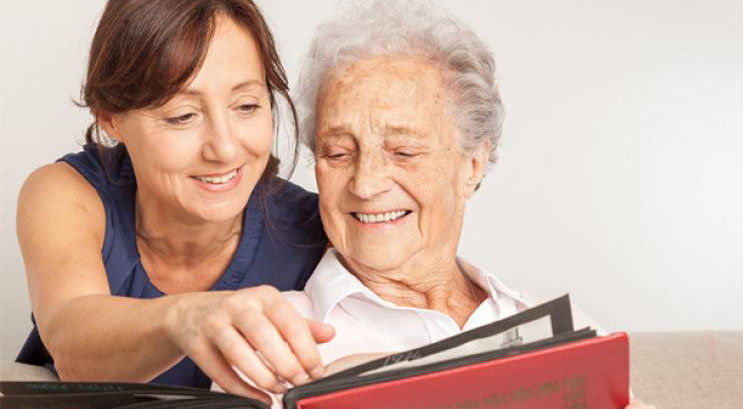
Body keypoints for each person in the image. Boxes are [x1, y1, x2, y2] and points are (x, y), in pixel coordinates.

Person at [255, 1, 653, 407]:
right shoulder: (271, 340)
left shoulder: (563, 333)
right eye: (338, 152)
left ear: (472, 165)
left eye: (404, 151)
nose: (366, 183)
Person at [16, 0, 332, 403]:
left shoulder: (316, 229)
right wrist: (188, 317)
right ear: (110, 118)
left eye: (247, 106)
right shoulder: (68, 193)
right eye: (182, 116)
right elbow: (71, 340)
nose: (224, 147)